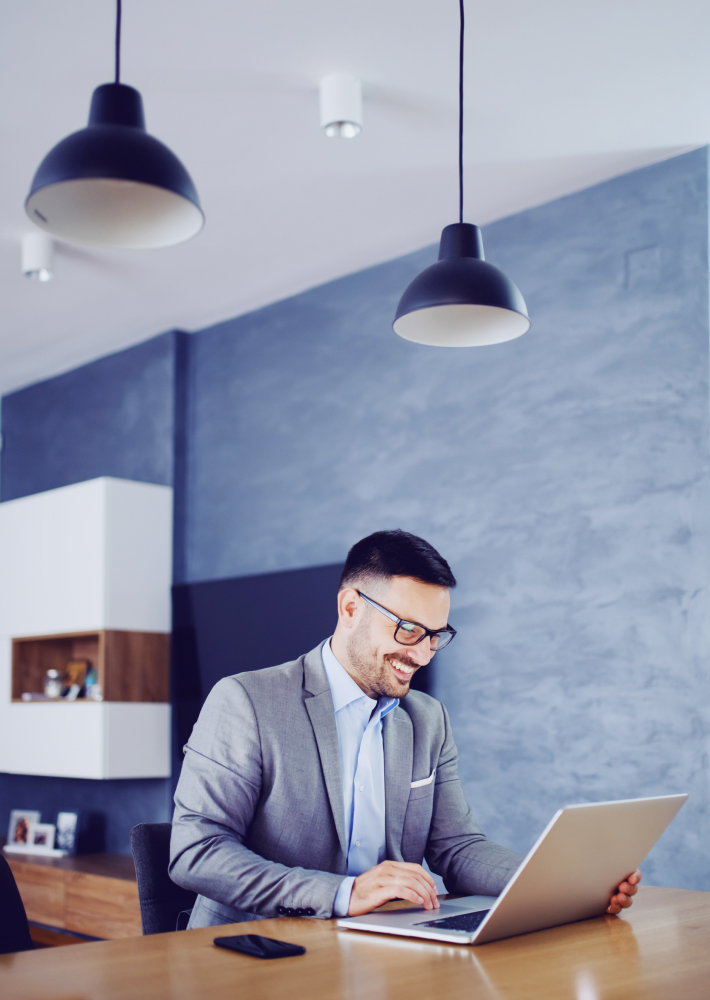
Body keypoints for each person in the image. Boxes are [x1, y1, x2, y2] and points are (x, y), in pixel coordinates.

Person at [169, 529, 640, 927]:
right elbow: (196, 850)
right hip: (253, 955)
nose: (421, 654)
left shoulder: (427, 719)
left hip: (383, 950)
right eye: (408, 629)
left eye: (435, 635)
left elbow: (456, 848)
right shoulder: (246, 701)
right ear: (350, 608)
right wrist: (342, 893)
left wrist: (560, 882)